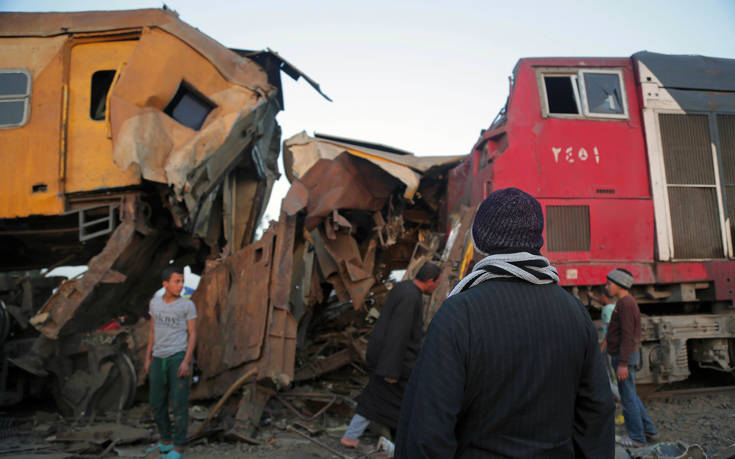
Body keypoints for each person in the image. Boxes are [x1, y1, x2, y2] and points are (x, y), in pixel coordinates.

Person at [396, 187, 615, 458]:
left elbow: (427, 431)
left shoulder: (458, 314)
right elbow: (596, 412)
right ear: (536, 241)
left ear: (478, 242)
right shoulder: (574, 311)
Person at [340, 262, 441, 448]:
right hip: (395, 363)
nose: (436, 288)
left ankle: (362, 437)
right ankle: (353, 437)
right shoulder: (411, 297)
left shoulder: (404, 288)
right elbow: (398, 334)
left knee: (379, 399)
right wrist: (391, 370)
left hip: (389, 359)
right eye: (436, 283)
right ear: (429, 281)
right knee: (380, 399)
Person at [144, 266, 198, 459]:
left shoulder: (187, 306)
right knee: (156, 403)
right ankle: (166, 442)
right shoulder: (155, 304)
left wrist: (186, 361)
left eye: (182, 281)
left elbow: (193, 335)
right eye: (177, 281)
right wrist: (148, 358)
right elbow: (152, 331)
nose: (181, 285)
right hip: (158, 358)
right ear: (165, 284)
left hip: (177, 357)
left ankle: (179, 447)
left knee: (179, 403)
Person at [604, 268, 658, 448]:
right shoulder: (625, 302)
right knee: (631, 395)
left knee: (627, 399)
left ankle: (636, 438)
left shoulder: (626, 304)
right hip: (623, 356)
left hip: (623, 357)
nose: (607, 287)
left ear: (619, 285)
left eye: (610, 283)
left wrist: (623, 363)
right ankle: (649, 430)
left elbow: (628, 336)